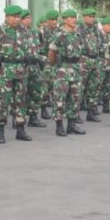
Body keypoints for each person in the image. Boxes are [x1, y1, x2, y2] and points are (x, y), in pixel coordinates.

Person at [0, 5, 34, 144]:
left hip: (21, 70)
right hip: (5, 71)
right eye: (13, 17)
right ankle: (0, 131)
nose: (16, 19)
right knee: (3, 101)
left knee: (20, 100)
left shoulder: (24, 31)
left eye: (18, 17)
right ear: (7, 17)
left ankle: (20, 129)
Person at [48, 8, 86, 136]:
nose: (74, 19)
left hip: (75, 69)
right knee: (60, 98)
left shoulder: (78, 34)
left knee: (75, 98)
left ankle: (72, 125)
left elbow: (80, 53)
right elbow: (52, 53)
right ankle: (59, 125)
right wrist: (55, 67)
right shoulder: (59, 35)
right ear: (64, 20)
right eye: (71, 17)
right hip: (62, 69)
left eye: (75, 17)